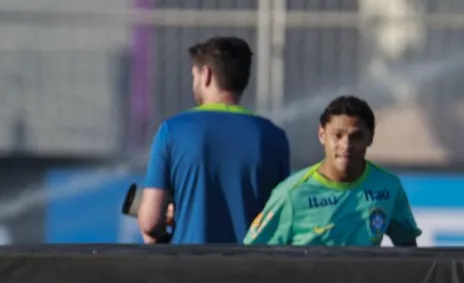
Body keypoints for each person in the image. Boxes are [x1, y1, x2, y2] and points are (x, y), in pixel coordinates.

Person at [137, 36, 291, 244]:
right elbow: (281, 220)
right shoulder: (274, 137)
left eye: (194, 76)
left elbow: (151, 222)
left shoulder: (172, 131)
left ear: (206, 75)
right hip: (252, 271)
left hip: (191, 269)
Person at [244, 95, 420, 246]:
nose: (346, 145)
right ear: (322, 135)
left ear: (370, 137)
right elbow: (253, 254)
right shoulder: (293, 194)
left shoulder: (388, 187)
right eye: (337, 135)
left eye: (356, 136)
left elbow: (408, 246)